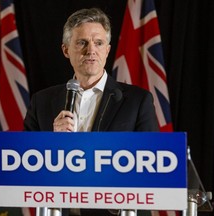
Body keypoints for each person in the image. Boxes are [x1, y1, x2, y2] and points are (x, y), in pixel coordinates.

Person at [24, 7, 159, 216]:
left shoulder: (137, 101)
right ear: (66, 50)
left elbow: (152, 167)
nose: (91, 50)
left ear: (107, 49)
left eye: (98, 43)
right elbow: (24, 165)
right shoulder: (41, 102)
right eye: (82, 42)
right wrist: (50, 142)